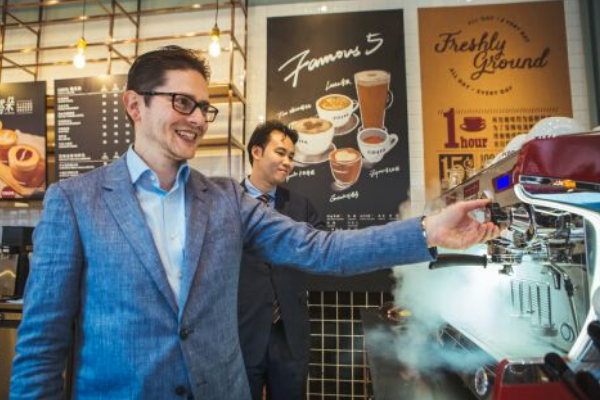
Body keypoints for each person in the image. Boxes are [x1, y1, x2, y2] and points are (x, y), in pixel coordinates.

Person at [10, 45, 499, 400]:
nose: (198, 119)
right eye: (182, 103)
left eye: (204, 108)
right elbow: (42, 341)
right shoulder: (74, 201)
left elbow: (321, 249)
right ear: (134, 105)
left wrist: (429, 230)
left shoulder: (226, 199)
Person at [239, 120, 324, 400]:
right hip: (242, 330)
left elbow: (321, 249)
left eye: (291, 156)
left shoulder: (300, 205)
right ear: (256, 152)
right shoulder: (228, 201)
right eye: (280, 153)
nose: (288, 162)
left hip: (289, 332)